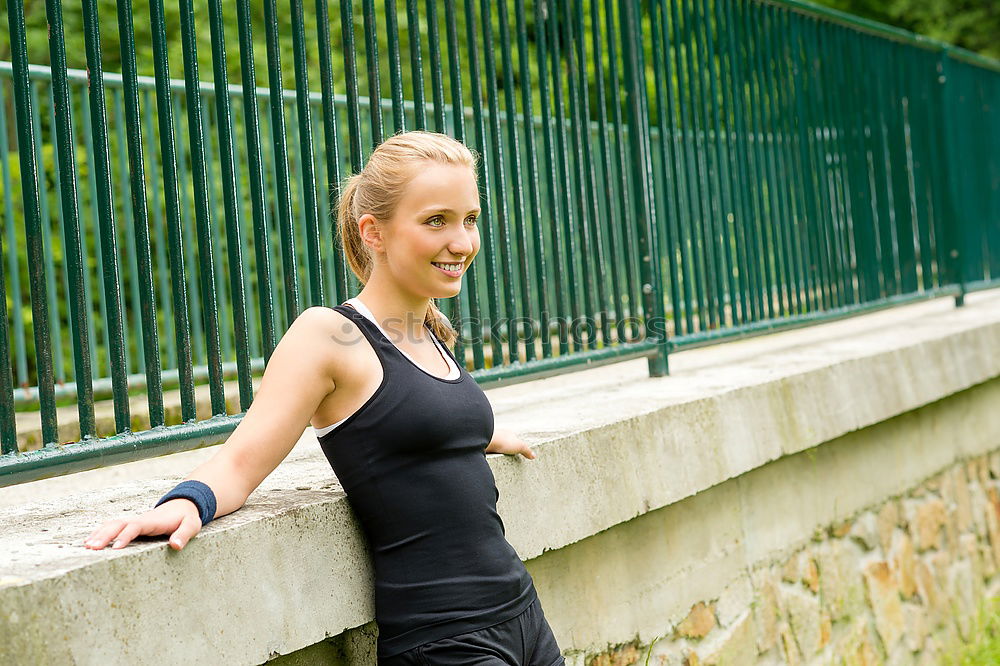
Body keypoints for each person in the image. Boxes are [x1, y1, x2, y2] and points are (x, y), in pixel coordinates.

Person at [83, 130, 566, 665]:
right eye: (436, 220)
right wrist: (186, 502)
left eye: (469, 219)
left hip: (523, 616)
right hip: (447, 641)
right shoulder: (329, 336)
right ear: (373, 233)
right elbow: (241, 462)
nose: (462, 241)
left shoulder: (427, 328)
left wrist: (489, 434)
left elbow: (419, 425)